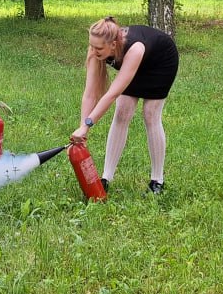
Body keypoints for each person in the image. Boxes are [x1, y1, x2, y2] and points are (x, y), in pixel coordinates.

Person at [71, 16, 179, 194]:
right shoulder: (96, 48)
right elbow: (90, 94)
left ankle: (157, 181)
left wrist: (88, 124)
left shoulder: (134, 48)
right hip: (134, 63)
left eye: (98, 48)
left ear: (113, 44)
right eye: (92, 46)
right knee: (122, 112)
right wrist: (83, 127)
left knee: (150, 114)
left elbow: (111, 94)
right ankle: (106, 178)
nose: (94, 51)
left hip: (160, 61)